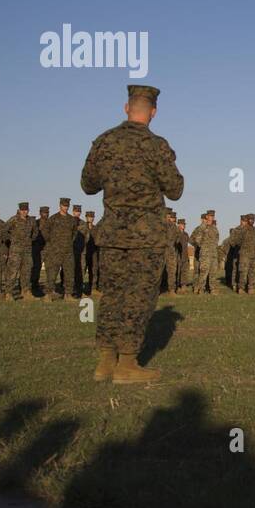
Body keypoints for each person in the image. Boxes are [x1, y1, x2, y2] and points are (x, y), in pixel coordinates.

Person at [80, 84, 184, 384]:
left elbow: (88, 185)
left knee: (112, 293)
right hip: (146, 236)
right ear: (153, 112)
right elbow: (175, 190)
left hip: (112, 234)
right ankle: (127, 364)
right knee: (138, 297)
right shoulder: (157, 146)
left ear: (126, 108)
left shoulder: (104, 142)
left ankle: (104, 362)